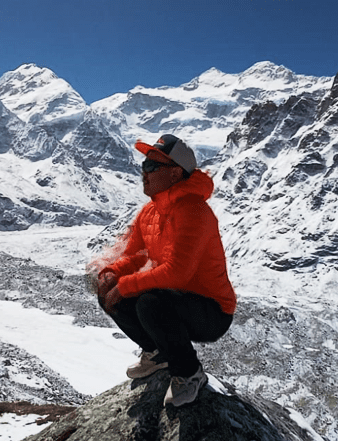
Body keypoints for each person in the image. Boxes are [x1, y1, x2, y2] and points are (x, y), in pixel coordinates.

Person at [95, 133, 236, 407]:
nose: (144, 173)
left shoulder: (194, 210)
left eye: (152, 166)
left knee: (150, 303)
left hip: (212, 310)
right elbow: (135, 256)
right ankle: (157, 354)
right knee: (110, 291)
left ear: (175, 173)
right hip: (176, 297)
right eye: (143, 165)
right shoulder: (150, 211)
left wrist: (125, 286)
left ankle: (189, 373)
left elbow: (178, 272)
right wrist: (112, 273)